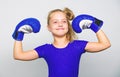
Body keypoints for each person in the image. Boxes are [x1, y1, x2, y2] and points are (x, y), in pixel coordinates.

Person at [13, 7, 111, 77]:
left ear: (68, 26)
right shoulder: (45, 49)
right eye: (55, 22)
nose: (60, 24)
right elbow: (18, 55)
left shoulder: (77, 46)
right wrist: (19, 33)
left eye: (64, 21)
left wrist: (93, 25)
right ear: (49, 28)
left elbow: (105, 44)